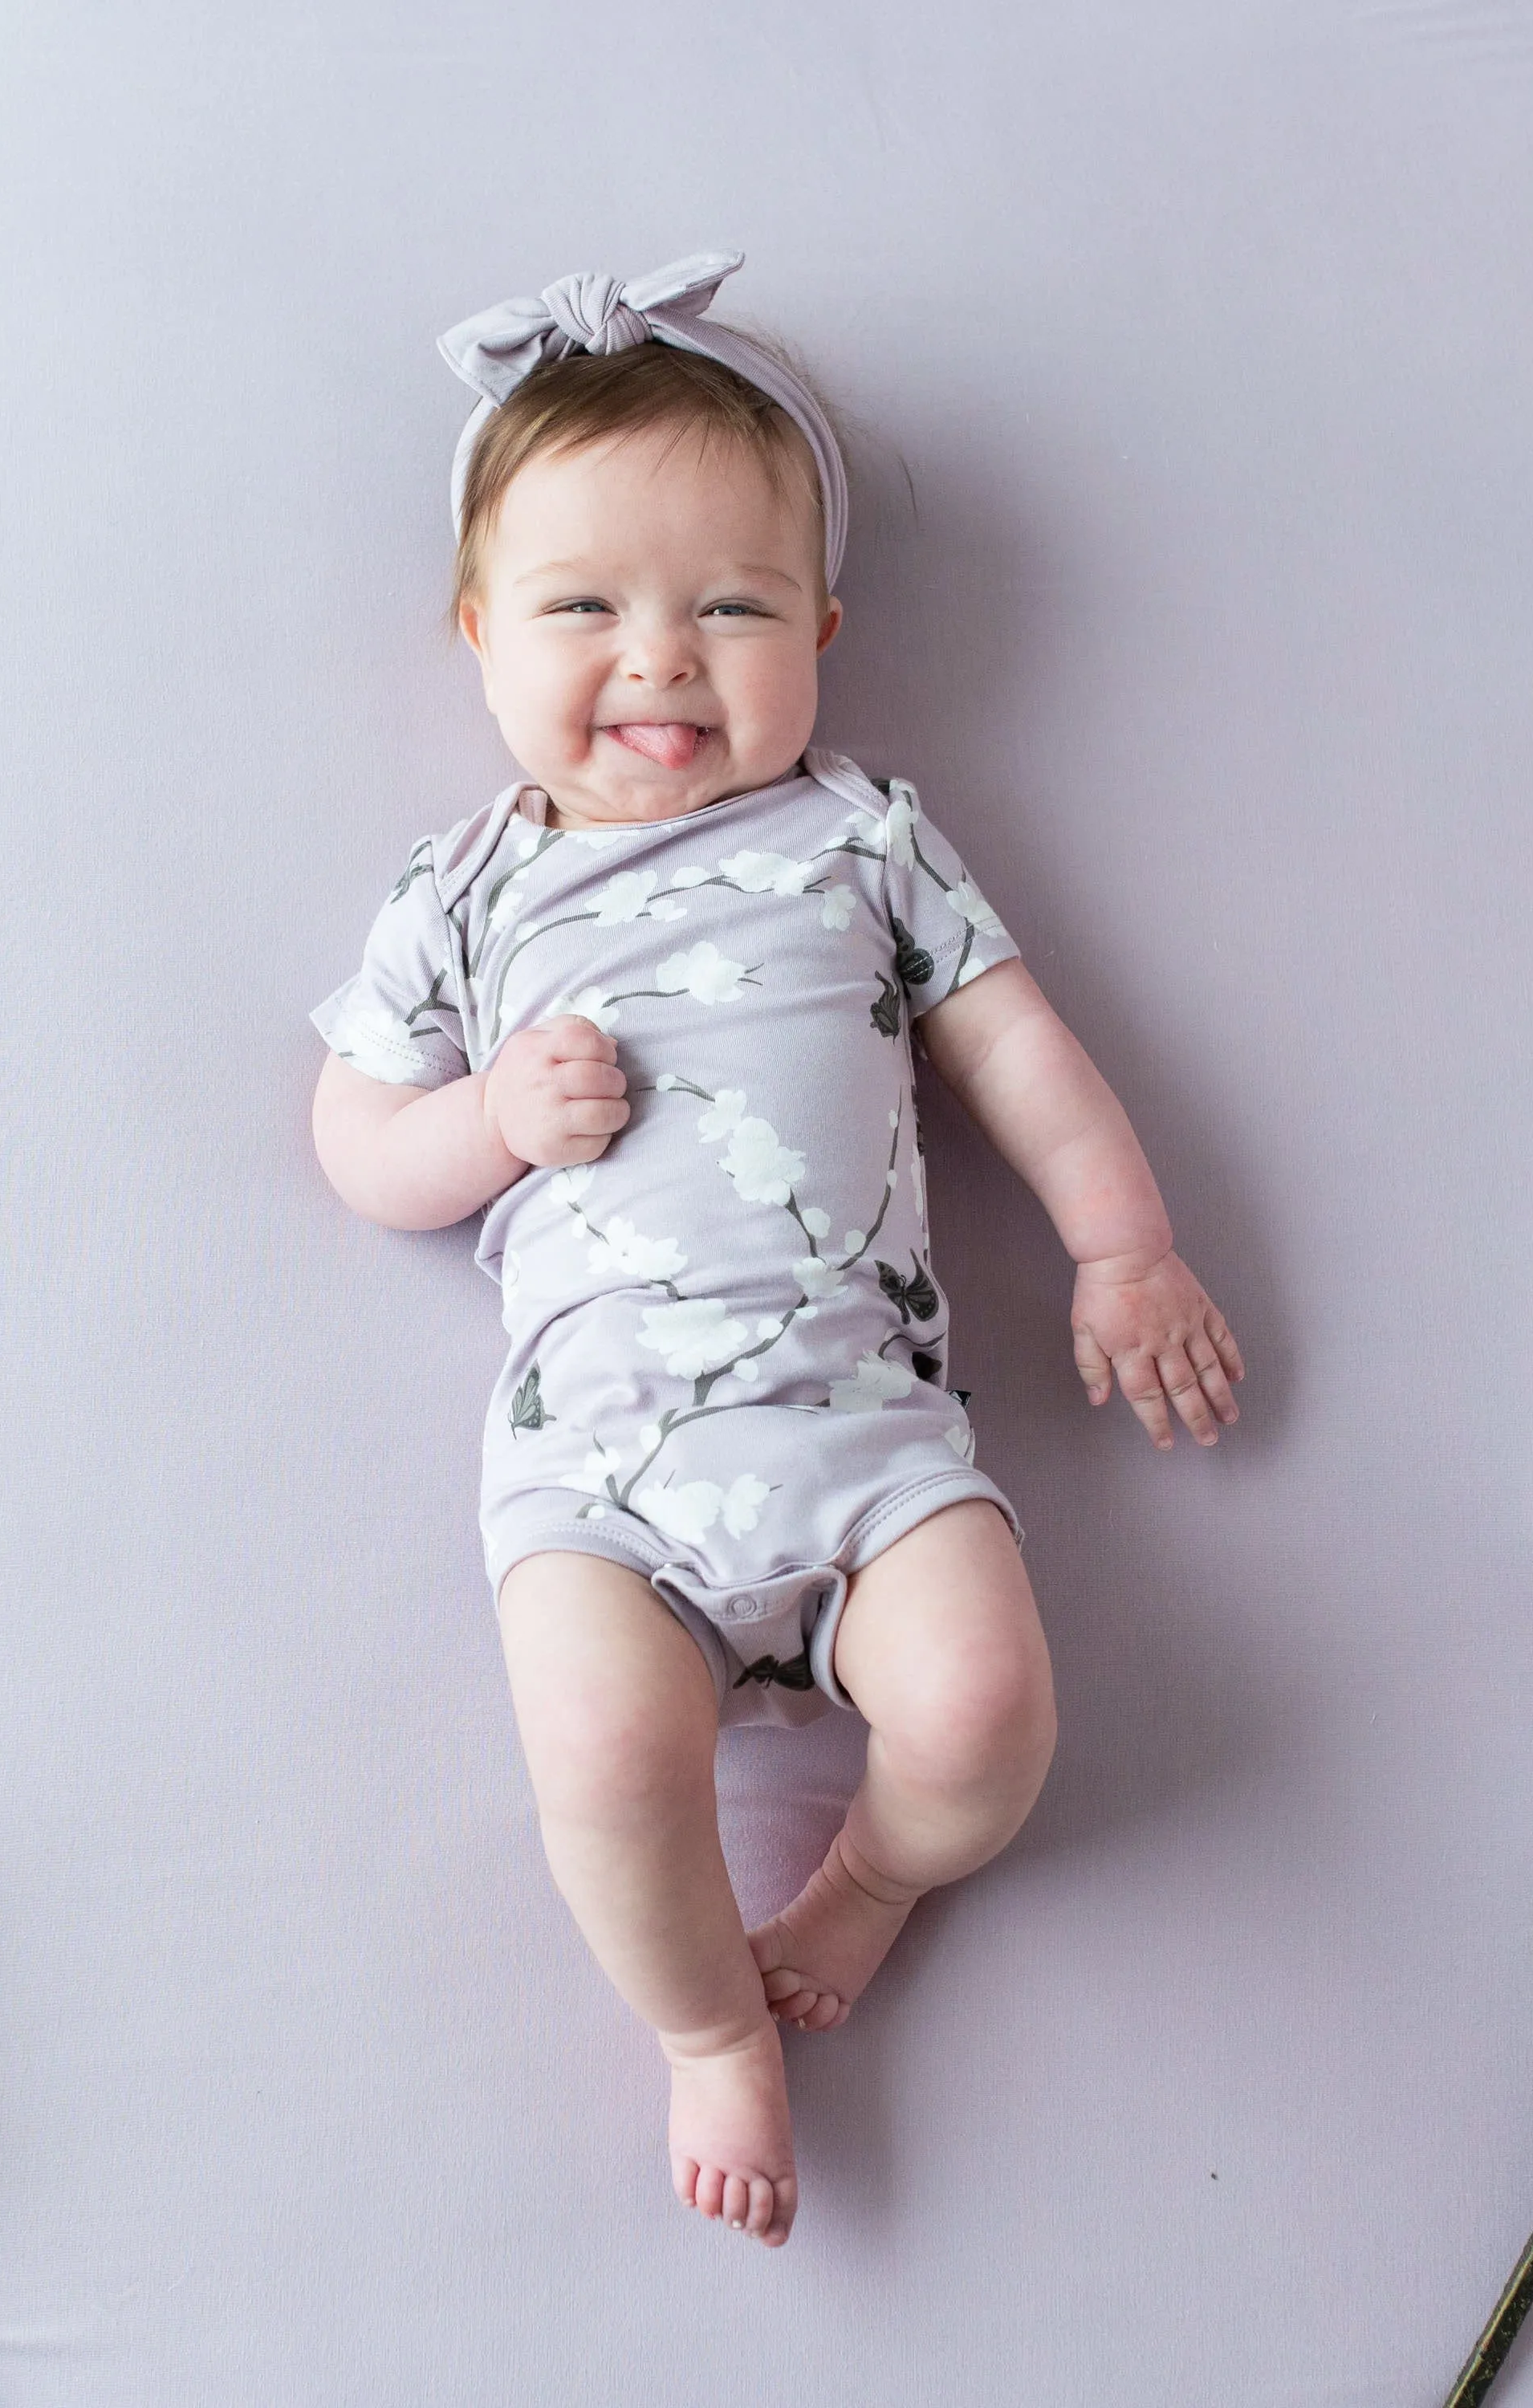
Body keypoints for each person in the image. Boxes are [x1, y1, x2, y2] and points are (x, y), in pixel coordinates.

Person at [310, 254, 1242, 2248]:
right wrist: (484, 1126)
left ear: (821, 628)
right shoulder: (467, 889)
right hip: (604, 1473)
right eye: (584, 608)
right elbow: (353, 1140)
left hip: (870, 1447)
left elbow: (1023, 1053)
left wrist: (1124, 1247)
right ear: (477, 638)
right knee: (599, 1762)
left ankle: (875, 1880)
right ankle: (705, 2028)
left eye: (731, 607)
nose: (660, 660)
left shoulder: (861, 840)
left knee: (991, 1716)